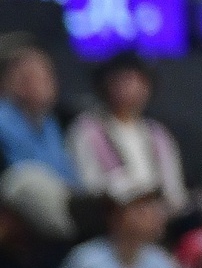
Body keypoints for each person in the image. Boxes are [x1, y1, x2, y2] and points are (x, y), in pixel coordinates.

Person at [67, 53, 187, 212]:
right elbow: (89, 185)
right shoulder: (88, 129)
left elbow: (174, 188)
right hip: (113, 213)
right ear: (106, 85)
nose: (129, 87)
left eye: (136, 80)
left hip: (160, 214)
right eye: (121, 80)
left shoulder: (158, 134)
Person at [0, 45, 77, 186]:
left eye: (48, 76)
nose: (49, 84)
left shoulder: (49, 121)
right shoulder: (3, 120)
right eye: (38, 77)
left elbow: (67, 174)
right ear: (16, 83)